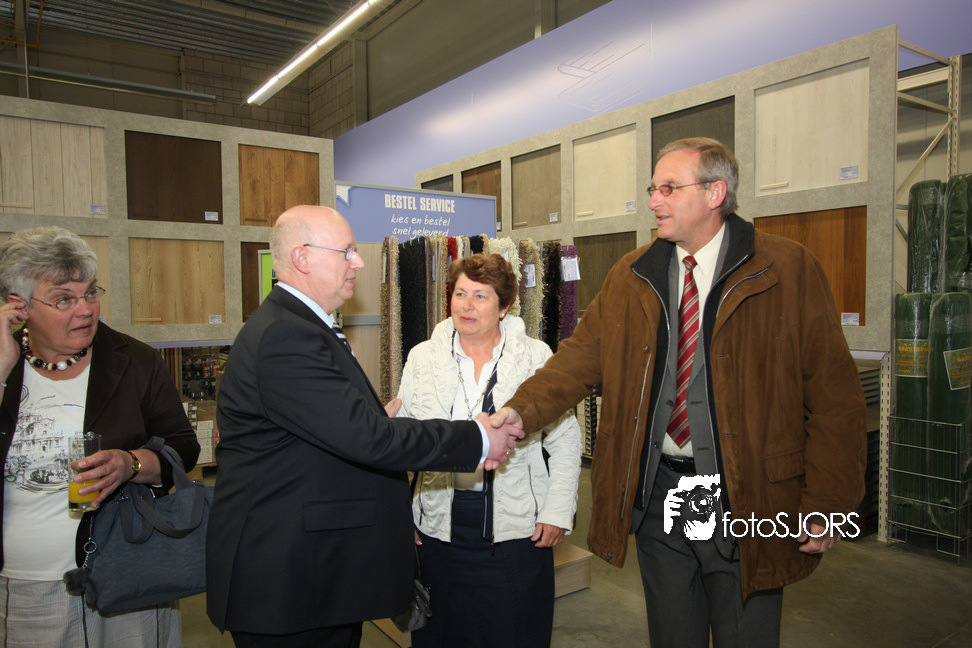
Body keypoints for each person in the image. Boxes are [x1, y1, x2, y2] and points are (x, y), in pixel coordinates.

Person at [492, 137, 867, 648]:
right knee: (672, 634)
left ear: (715, 193)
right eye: (653, 188)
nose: (653, 200)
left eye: (668, 188)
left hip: (748, 498)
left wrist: (827, 504)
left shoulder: (787, 269)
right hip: (661, 495)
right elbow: (579, 358)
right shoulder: (633, 275)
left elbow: (834, 400)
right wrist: (519, 412)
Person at [206, 206, 522, 648]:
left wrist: (369, 424)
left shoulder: (301, 327)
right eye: (347, 252)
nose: (358, 262)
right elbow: (367, 439)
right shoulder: (287, 336)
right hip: (290, 580)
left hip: (313, 573)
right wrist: (478, 436)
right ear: (302, 257)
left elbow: (333, 430)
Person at [0, 226, 200, 647]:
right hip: (26, 588)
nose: (86, 309)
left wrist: (131, 463)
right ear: (19, 306)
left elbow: (183, 447)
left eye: (91, 292)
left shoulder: (135, 361)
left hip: (129, 575)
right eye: (64, 299)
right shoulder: (5, 365)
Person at [397, 253, 581, 648]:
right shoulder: (422, 358)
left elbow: (565, 438)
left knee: (513, 633)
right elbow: (403, 440)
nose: (467, 305)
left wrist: (557, 510)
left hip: (515, 533)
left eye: (480, 296)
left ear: (504, 307)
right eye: (460, 293)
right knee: (439, 636)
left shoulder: (536, 357)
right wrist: (401, 511)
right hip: (437, 528)